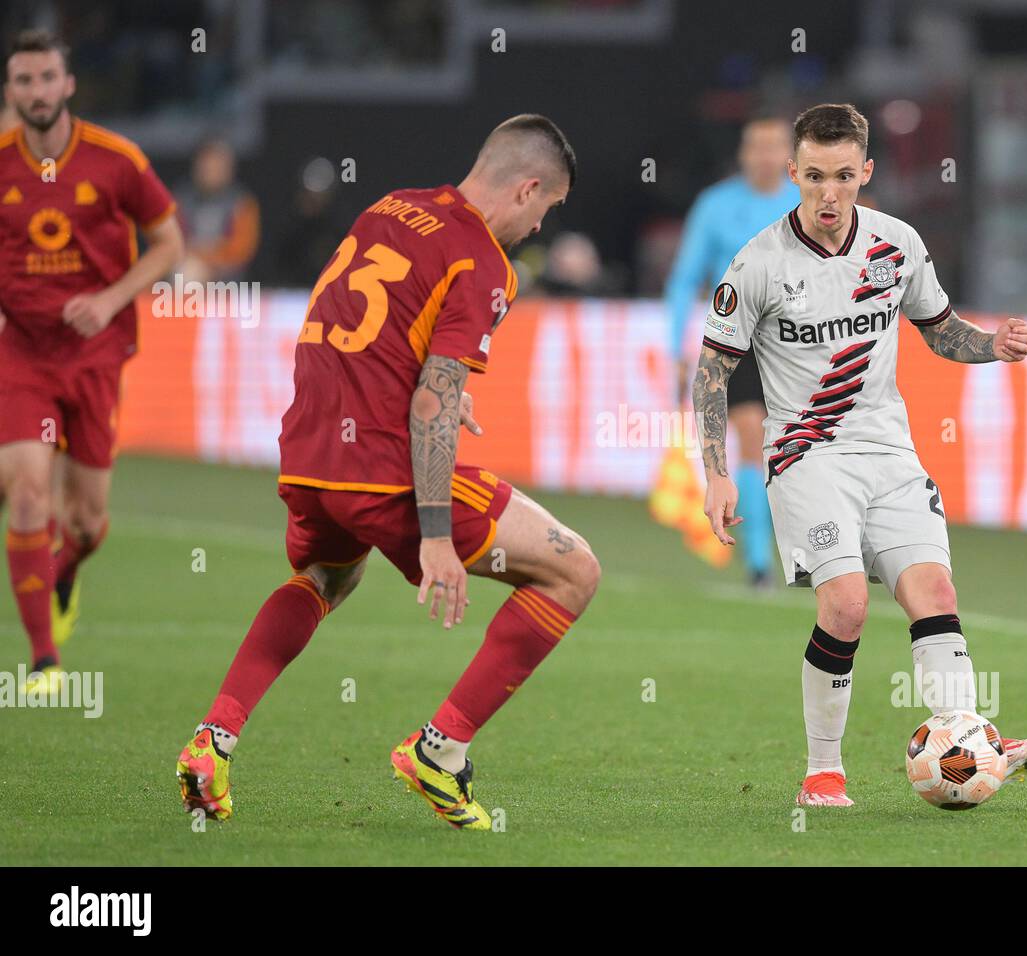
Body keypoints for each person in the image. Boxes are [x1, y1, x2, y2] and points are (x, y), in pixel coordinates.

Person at [176, 115, 600, 831]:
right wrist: (435, 534)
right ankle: (441, 749)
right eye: (545, 210)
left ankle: (214, 738)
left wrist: (428, 392)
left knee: (327, 577)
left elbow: (353, 322)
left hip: (310, 453)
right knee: (574, 571)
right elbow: (432, 395)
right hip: (381, 468)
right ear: (528, 188)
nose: (536, 228)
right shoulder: (485, 262)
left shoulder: (391, 206)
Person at [691, 103, 1027, 808]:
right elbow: (710, 373)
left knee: (936, 595)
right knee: (849, 606)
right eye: (814, 177)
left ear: (866, 172)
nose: (829, 195)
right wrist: (714, 474)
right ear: (794, 173)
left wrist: (993, 347)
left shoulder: (897, 244)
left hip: (889, 450)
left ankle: (964, 738)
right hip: (806, 455)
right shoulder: (759, 263)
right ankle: (823, 772)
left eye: (843, 177)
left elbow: (941, 329)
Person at [0, 30, 183, 691]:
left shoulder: (116, 160)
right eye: (24, 81)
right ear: (11, 91)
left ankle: (67, 567)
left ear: (68, 84)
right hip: (21, 352)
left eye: (47, 78)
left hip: (96, 354)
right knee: (25, 492)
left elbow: (168, 243)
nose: (37, 91)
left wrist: (108, 302)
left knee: (87, 519)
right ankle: (44, 659)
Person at [664, 117, 799, 588]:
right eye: (756, 147)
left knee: (802, 448)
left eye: (774, 146)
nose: (765, 156)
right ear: (743, 153)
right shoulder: (716, 205)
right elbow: (684, 278)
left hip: (802, 343)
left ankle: (816, 549)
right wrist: (675, 345)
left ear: (790, 155)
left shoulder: (809, 202)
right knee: (751, 440)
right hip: (739, 338)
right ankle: (760, 561)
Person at [174, 136, 260, 282]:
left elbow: (242, 251)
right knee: (186, 272)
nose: (210, 171)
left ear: (229, 169)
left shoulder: (241, 203)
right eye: (206, 165)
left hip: (229, 280)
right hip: (185, 270)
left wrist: (209, 260)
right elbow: (171, 244)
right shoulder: (181, 200)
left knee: (190, 273)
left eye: (216, 165)